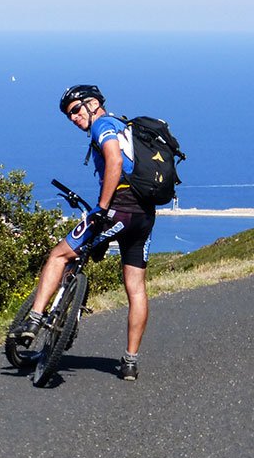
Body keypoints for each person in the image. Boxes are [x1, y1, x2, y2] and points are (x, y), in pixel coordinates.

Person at [11, 84, 156, 381]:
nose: (74, 118)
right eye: (69, 116)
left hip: (118, 208)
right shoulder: (124, 125)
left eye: (76, 110)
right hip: (144, 215)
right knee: (136, 288)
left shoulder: (102, 125)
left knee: (58, 256)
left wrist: (102, 208)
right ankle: (130, 362)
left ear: (92, 104)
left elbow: (114, 161)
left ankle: (34, 321)